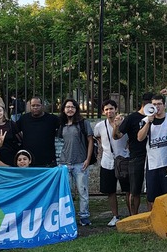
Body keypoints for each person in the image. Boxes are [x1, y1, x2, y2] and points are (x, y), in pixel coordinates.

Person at [93, 99, 130, 226]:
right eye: (106, 109)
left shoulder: (124, 122)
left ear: (116, 109)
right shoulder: (99, 126)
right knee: (110, 190)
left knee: (128, 189)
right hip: (107, 161)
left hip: (124, 160)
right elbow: (97, 137)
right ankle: (115, 216)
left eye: (111, 108)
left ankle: (131, 214)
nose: (109, 111)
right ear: (103, 112)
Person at [58, 98, 94, 226]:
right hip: (64, 163)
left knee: (82, 191)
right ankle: (69, 216)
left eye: (72, 107)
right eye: (67, 107)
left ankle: (84, 216)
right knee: (66, 192)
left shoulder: (83, 123)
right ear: (63, 109)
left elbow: (90, 141)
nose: (70, 109)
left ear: (76, 109)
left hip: (80, 162)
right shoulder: (61, 124)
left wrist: (88, 159)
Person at [115, 93, 152, 215]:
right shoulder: (132, 118)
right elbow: (117, 136)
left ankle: (151, 215)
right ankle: (133, 217)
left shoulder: (156, 117)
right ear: (144, 104)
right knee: (134, 190)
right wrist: (116, 126)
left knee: (151, 190)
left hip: (153, 157)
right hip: (136, 157)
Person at [139, 94, 167, 209]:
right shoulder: (145, 120)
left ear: (164, 105)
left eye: (159, 104)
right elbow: (140, 138)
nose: (157, 107)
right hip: (153, 163)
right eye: (154, 104)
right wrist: (148, 122)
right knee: (152, 196)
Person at [16, 96, 61, 167]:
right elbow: (15, 131)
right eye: (33, 105)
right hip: (28, 161)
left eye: (38, 105)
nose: (35, 107)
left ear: (42, 106)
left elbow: (64, 128)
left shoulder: (52, 119)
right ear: (30, 106)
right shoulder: (24, 119)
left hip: (48, 161)